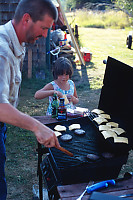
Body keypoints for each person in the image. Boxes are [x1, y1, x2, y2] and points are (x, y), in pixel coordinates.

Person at [0, 0, 61, 199]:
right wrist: (36, 126)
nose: (45, 34)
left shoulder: (15, 42)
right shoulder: (2, 52)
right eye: (43, 28)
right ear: (26, 19)